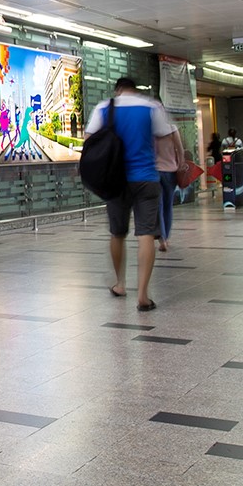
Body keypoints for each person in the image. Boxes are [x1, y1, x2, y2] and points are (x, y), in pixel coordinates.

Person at [86, 76, 173, 311]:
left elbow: (89, 140)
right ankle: (143, 296)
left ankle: (120, 284)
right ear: (136, 89)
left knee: (117, 233)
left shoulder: (104, 108)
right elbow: (164, 138)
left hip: (115, 180)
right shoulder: (151, 106)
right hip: (146, 178)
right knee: (146, 234)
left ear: (118, 90)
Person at [155, 122, 186, 253]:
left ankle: (162, 238)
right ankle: (166, 238)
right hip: (171, 171)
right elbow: (180, 149)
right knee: (168, 206)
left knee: (159, 206)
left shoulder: (150, 129)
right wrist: (181, 164)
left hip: (155, 171)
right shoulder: (172, 129)